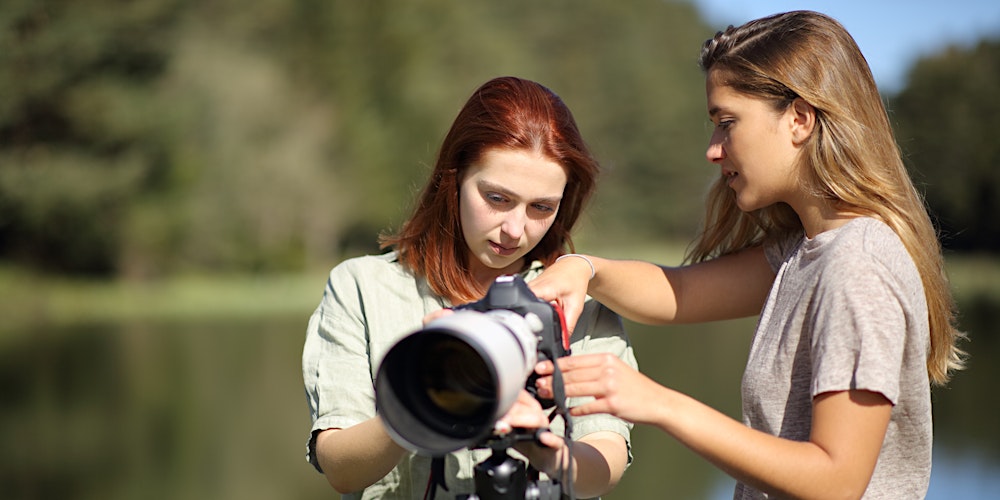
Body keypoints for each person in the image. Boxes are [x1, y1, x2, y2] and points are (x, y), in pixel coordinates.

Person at [527, 10, 966, 499]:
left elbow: (836, 481)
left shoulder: (857, 264)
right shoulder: (804, 252)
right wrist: (583, 269)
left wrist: (659, 403)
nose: (713, 150)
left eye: (727, 123)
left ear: (799, 119)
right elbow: (682, 292)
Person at [301, 76, 636, 499]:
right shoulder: (362, 287)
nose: (515, 230)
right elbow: (341, 470)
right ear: (454, 177)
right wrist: (426, 395)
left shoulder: (578, 301)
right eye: (497, 198)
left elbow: (604, 466)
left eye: (541, 208)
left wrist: (539, 445)